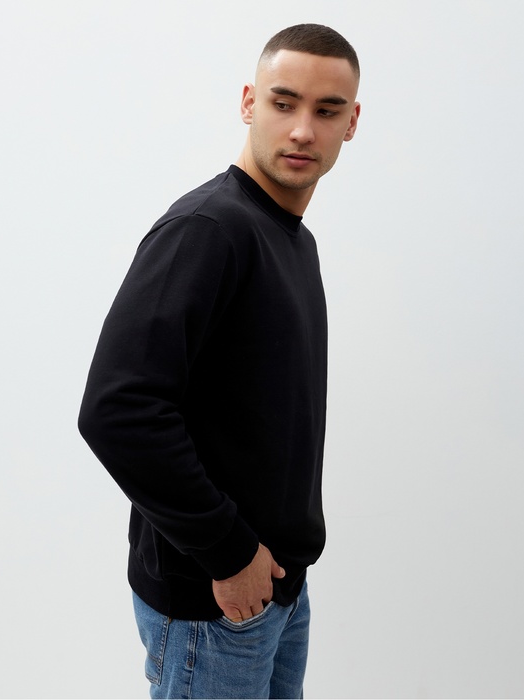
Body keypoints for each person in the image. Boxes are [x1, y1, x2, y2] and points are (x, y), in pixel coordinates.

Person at [78, 23, 361, 699]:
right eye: (283, 102)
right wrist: (229, 553)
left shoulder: (293, 241)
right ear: (248, 102)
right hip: (214, 599)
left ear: (352, 123)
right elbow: (118, 410)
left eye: (326, 111)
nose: (302, 130)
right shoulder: (208, 229)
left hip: (278, 589)